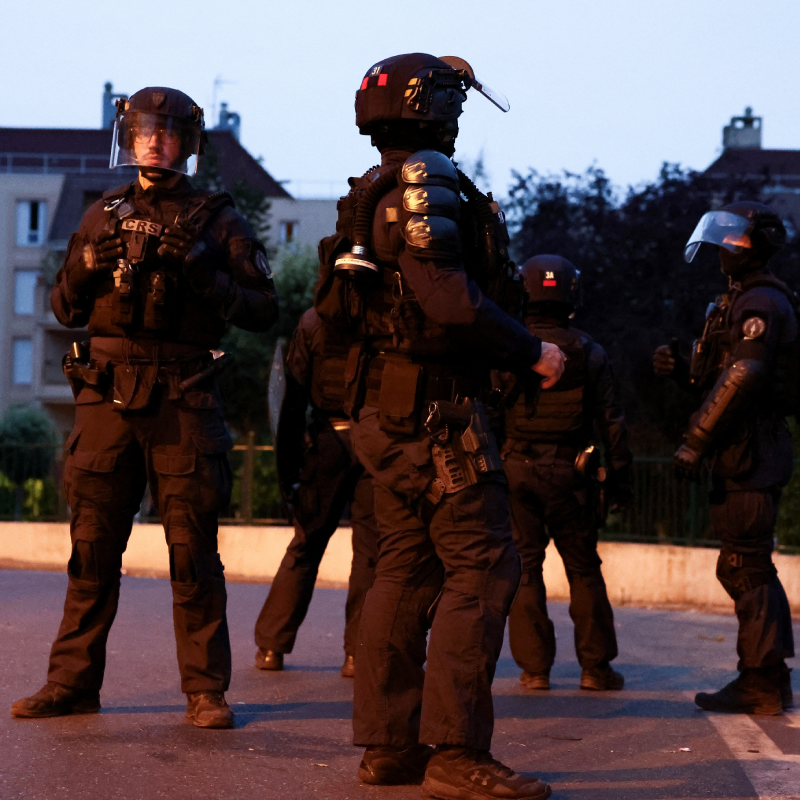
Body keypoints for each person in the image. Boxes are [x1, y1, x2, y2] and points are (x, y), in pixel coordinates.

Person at [315, 53, 563, 799]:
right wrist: (533, 352)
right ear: (437, 106)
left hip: (386, 415)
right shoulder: (429, 180)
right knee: (485, 566)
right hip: (439, 413)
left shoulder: (372, 189)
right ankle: (455, 752)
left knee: (404, 567)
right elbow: (448, 300)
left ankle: (389, 747)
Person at [10, 86, 278, 729]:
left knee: (192, 552)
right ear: (127, 138)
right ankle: (71, 683)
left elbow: (265, 310)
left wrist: (205, 272)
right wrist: (82, 270)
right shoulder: (100, 212)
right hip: (105, 396)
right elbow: (63, 309)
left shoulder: (218, 217)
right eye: (143, 130)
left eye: (167, 132)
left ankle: (206, 691)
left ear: (187, 143)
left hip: (181, 397)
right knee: (92, 548)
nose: (154, 141)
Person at [653, 201, 800, 715]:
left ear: (754, 247)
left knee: (746, 565)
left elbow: (744, 377)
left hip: (752, 451)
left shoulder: (761, 302)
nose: (723, 249)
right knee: (747, 566)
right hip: (744, 449)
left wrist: (695, 439)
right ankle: (769, 676)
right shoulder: (740, 299)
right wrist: (682, 372)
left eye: (734, 241)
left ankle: (762, 682)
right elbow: (720, 375)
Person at [498, 255, 633, 693]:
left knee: (526, 567)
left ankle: (535, 670)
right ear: (572, 294)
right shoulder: (590, 352)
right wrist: (620, 484)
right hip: (571, 473)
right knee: (583, 568)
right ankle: (596, 669)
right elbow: (612, 422)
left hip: (516, 469)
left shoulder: (510, 348)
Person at [253, 308, 378, 677]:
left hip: (327, 441)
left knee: (306, 543)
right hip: (376, 443)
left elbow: (290, 398)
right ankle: (357, 655)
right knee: (370, 551)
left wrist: (290, 468)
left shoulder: (313, 320)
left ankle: (272, 646)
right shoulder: (385, 313)